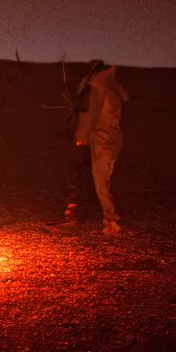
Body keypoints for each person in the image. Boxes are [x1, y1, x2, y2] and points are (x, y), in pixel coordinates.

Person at [63, 60, 129, 235]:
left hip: (102, 139)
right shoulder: (113, 87)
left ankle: (111, 220)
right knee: (105, 179)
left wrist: (80, 137)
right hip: (115, 138)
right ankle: (111, 216)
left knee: (101, 182)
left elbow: (90, 115)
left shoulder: (98, 89)